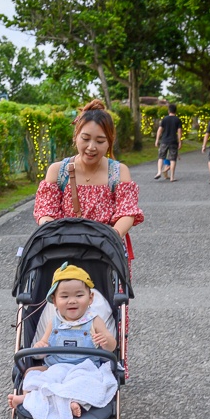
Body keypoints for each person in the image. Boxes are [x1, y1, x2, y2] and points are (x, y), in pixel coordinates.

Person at [33, 99, 144, 374]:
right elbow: (45, 212)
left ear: (110, 143)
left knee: (110, 303)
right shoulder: (58, 171)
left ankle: (109, 359)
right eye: (86, 138)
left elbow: (127, 213)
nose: (91, 147)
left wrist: (108, 237)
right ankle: (50, 356)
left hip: (106, 251)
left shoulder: (119, 172)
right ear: (76, 136)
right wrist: (54, 232)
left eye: (100, 141)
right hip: (61, 251)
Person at [8, 264, 116, 418]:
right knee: (31, 373)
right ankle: (29, 398)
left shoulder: (94, 321)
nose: (72, 301)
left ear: (90, 298)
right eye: (64, 297)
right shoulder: (54, 322)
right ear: (54, 300)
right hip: (56, 367)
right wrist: (41, 346)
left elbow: (112, 347)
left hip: (84, 368)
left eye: (79, 296)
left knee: (90, 383)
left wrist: (106, 341)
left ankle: (72, 401)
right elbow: (43, 346)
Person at [155, 104, 182, 182]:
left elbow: (159, 130)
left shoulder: (164, 119)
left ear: (168, 111)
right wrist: (179, 141)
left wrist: (157, 139)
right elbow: (179, 131)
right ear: (175, 111)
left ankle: (159, 171)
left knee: (161, 157)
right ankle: (172, 177)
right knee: (173, 159)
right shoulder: (178, 120)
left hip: (164, 141)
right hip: (173, 142)